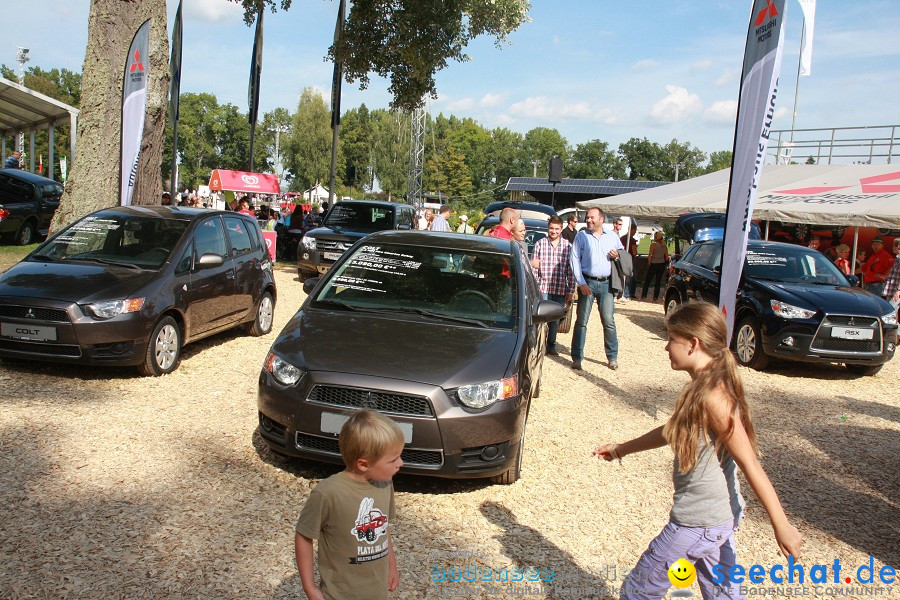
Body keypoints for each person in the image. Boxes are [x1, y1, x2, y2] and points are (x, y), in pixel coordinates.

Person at [593, 302, 803, 600]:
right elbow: (672, 430)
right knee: (723, 595)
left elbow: (750, 464)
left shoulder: (714, 398)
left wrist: (782, 525)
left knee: (638, 590)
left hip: (697, 522)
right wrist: (620, 449)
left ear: (693, 344)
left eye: (671, 339)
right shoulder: (702, 388)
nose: (666, 347)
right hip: (715, 522)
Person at [295, 410, 403, 600]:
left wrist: (391, 566)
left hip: (377, 593)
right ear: (363, 464)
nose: (400, 463)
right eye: (393, 459)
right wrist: (310, 589)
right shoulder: (328, 493)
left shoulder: (385, 483)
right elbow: (304, 535)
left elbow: (384, 530)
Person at [570, 207, 623, 371]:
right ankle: (577, 358)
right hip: (588, 283)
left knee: (609, 321)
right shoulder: (581, 236)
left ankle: (612, 357)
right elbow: (574, 259)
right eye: (587, 218)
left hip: (606, 284)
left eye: (592, 217)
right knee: (581, 322)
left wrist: (618, 256)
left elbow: (622, 254)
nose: (588, 220)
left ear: (601, 219)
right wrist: (581, 283)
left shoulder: (613, 237)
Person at [530, 216, 575, 356]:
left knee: (555, 319)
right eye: (551, 228)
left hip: (560, 288)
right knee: (540, 318)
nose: (553, 231)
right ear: (547, 228)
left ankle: (551, 345)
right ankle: (538, 344)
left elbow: (571, 270)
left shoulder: (568, 247)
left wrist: (571, 290)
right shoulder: (540, 244)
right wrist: (534, 288)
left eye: (556, 229)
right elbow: (534, 268)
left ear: (561, 229)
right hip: (543, 287)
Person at [641, 231, 670, 302]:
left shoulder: (653, 245)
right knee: (658, 282)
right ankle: (655, 297)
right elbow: (666, 257)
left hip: (654, 264)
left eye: (655, 236)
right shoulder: (664, 246)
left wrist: (649, 262)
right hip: (661, 264)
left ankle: (644, 295)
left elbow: (650, 255)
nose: (654, 238)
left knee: (648, 281)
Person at [620, 222, 639, 301]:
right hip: (630, 260)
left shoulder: (622, 238)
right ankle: (628, 293)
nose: (635, 232)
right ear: (632, 230)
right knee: (630, 277)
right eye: (635, 231)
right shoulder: (632, 240)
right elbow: (635, 252)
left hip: (622, 258)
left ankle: (620, 292)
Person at [882, 239, 900, 309]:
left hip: (896, 292)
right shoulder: (897, 259)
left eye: (893, 246)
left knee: (889, 310)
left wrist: (898, 290)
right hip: (893, 291)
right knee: (892, 311)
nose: (892, 248)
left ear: (898, 247)